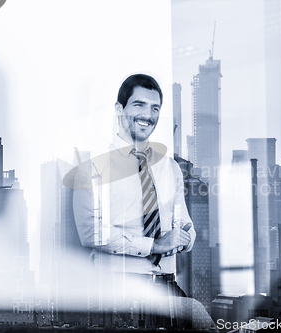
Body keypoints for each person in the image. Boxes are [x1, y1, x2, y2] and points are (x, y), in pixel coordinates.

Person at [70, 74, 196, 298]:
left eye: (155, 108)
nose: (148, 115)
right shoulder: (92, 169)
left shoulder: (169, 167)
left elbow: (185, 224)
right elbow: (92, 233)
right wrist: (154, 246)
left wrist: (184, 238)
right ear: (119, 109)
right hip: (117, 289)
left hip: (166, 285)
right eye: (139, 105)